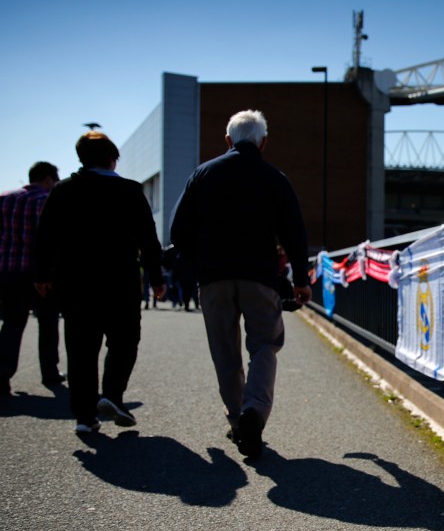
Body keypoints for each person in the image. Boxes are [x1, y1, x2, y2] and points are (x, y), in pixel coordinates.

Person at [170, 110, 311, 459]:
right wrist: (302, 280)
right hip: (259, 276)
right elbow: (294, 233)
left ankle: (237, 420)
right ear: (263, 142)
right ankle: (254, 412)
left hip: (214, 277)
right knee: (264, 344)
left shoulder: (203, 174)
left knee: (225, 351)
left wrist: (200, 259)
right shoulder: (274, 178)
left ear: (228, 140)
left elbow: (178, 232)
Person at [34, 132, 166, 433]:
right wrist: (157, 278)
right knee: (124, 340)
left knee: (81, 346)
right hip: (120, 280)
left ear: (81, 159)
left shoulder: (63, 190)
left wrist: (41, 275)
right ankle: (112, 394)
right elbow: (148, 238)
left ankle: (84, 416)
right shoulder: (130, 191)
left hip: (74, 282)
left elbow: (46, 236)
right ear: (113, 157)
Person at [0, 161, 64, 395]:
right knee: (48, 322)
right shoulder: (44, 201)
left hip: (8, 271)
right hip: (40, 274)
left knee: (12, 322)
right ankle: (50, 371)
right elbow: (50, 241)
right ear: (48, 178)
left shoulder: (4, 199)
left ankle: (2, 373)